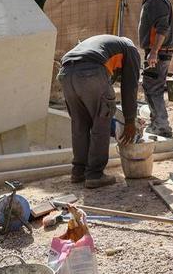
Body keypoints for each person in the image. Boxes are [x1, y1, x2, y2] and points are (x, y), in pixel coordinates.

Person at [57, 35, 141, 188]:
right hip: (90, 71)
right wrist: (130, 120)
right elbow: (129, 87)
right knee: (101, 120)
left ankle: (78, 171)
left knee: (79, 125)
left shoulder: (105, 44)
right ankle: (95, 174)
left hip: (66, 73)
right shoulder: (131, 50)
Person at [132, 0, 173, 138]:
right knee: (151, 86)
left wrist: (154, 52)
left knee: (153, 87)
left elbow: (162, 28)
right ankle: (158, 123)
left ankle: (161, 126)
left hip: (158, 52)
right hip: (157, 51)